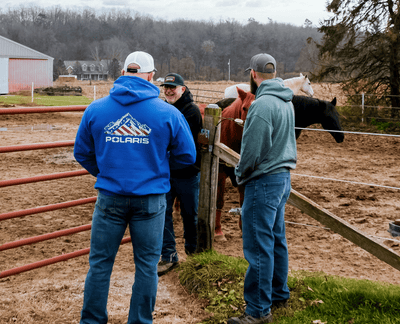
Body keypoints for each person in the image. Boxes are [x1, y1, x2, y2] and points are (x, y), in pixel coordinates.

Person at [74, 51, 197, 324]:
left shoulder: (96, 109)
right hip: (151, 199)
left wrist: (106, 171)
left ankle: (92, 320)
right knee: (146, 266)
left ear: (123, 72)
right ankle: (140, 321)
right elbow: (187, 156)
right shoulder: (168, 113)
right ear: (152, 76)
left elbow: (81, 152)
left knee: (100, 265)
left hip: (110, 197)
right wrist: (157, 168)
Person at [227, 53, 297, 324]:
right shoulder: (286, 102)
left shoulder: (262, 105)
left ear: (253, 75)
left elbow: (252, 151)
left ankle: (257, 310)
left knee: (258, 246)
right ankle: (278, 293)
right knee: (276, 238)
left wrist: (240, 174)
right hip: (282, 179)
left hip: (263, 181)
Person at [157, 73, 203, 276]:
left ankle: (193, 254)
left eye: (172, 87)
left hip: (187, 173)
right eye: (166, 87)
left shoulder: (191, 111)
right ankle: (168, 255)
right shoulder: (162, 108)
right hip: (167, 174)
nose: (168, 90)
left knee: (189, 214)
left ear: (182, 89)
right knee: (163, 213)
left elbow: (182, 145)